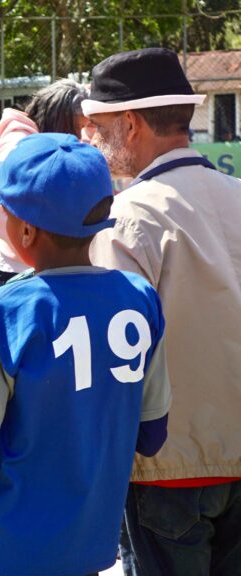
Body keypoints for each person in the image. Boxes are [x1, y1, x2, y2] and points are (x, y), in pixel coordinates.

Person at [0, 132, 171, 576]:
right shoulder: (139, 298)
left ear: (26, 231)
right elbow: (151, 436)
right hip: (85, 551)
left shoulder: (2, 312)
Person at [83, 47, 241, 576]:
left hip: (167, 468)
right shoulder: (237, 193)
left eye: (97, 124)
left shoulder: (127, 216)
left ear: (129, 124)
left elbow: (117, 361)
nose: (91, 138)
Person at [0, 79, 89, 287]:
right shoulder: (17, 144)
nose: (80, 135)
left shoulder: (44, 140)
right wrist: (44, 252)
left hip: (42, 266)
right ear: (61, 118)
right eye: (78, 126)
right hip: (20, 270)